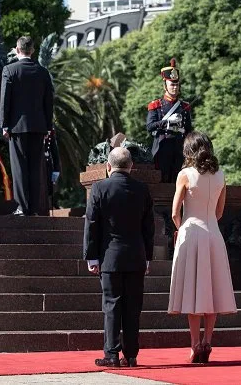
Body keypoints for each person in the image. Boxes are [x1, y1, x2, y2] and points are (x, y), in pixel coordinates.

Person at [167, 131, 237, 364]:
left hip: (191, 231)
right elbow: (219, 212)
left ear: (188, 150)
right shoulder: (221, 175)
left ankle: (194, 344)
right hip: (213, 234)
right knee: (212, 289)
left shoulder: (185, 174)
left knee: (194, 291)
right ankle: (208, 340)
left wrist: (180, 227)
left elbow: (175, 211)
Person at [83, 147, 155, 368]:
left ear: (108, 166)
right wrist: (147, 258)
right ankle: (131, 355)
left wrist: (91, 257)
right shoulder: (142, 189)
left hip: (110, 258)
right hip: (135, 257)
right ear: (131, 166)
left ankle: (112, 354)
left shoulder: (99, 188)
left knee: (111, 306)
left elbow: (92, 224)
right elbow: (148, 227)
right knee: (133, 307)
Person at [0, 36, 54, 216]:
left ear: (17, 49)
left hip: (16, 127)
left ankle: (22, 207)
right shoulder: (43, 72)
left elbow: (5, 100)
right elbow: (49, 102)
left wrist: (4, 125)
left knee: (19, 168)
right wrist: (47, 127)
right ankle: (35, 209)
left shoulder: (10, 70)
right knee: (35, 168)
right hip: (39, 127)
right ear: (32, 50)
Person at [146, 58, 193, 184]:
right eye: (172, 84)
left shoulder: (184, 106)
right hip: (162, 148)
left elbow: (189, 130)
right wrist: (167, 122)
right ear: (165, 85)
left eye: (177, 84)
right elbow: (150, 126)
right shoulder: (156, 105)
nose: (175, 87)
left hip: (180, 148)